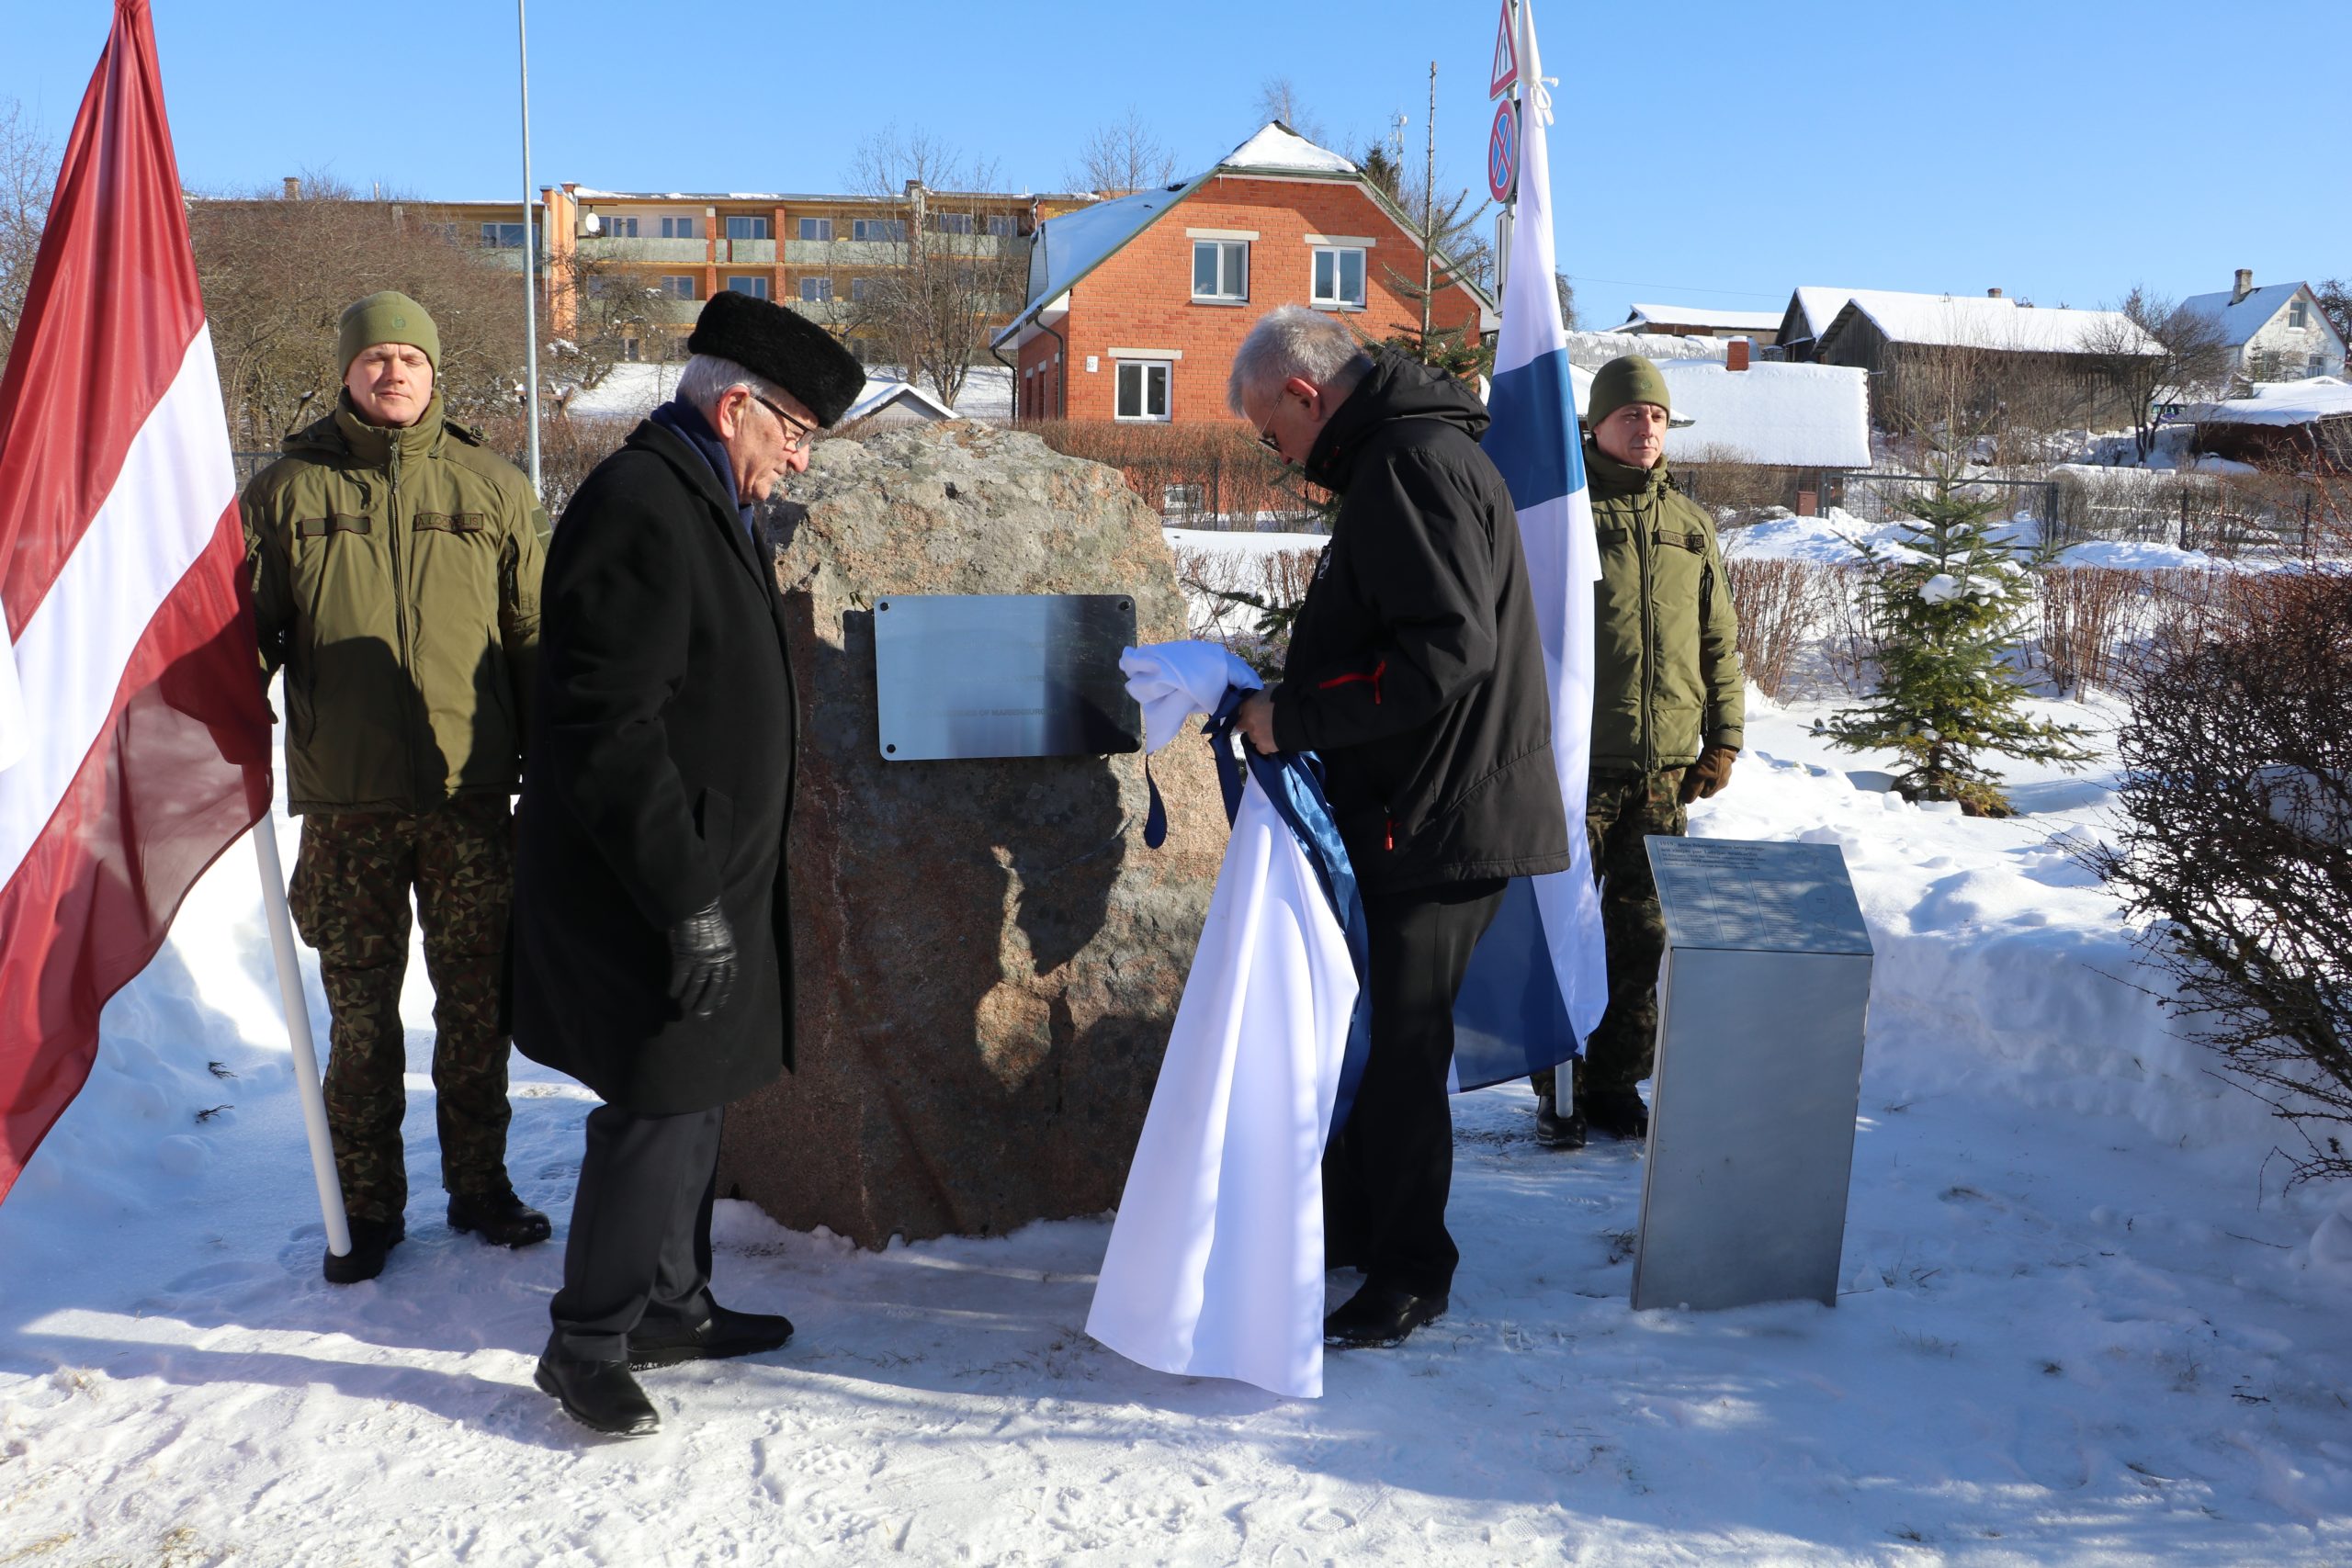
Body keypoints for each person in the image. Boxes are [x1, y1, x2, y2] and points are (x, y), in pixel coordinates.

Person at [514, 290, 863, 1437]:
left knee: (699, 1093)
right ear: (734, 408)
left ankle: (672, 1304)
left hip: (708, 869)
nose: (799, 458)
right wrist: (684, 902)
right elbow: (605, 729)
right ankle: (586, 1342)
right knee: (657, 1104)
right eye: (795, 432)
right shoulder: (642, 504)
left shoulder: (703, 492)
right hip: (651, 883)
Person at [1228, 306, 1573, 1349]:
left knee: (1401, 1051)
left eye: (1271, 433)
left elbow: (1442, 653)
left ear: (1306, 395)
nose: (1279, 455)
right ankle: (1361, 1228)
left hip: (1436, 813)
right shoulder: (1405, 454)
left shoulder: (1408, 465)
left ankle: (1412, 1271)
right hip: (1428, 806)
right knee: (1379, 1039)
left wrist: (1293, 717)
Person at [242, 290, 550, 1285]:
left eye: (409, 358)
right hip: (349, 807)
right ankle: (368, 1206)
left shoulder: (493, 485)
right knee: (363, 1023)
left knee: (477, 1009)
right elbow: (242, 637)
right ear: (345, 371)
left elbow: (533, 637)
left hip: (470, 798)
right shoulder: (287, 491)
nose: (393, 372)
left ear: (434, 370)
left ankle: (480, 1185)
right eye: (374, 357)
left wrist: (552, 769)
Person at [1532, 355, 1744, 1150]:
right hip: (1576, 766)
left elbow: (1718, 640)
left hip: (1663, 771)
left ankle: (1616, 1085)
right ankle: (1559, 1090)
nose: (1646, 427)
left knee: (1641, 935)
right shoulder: (1565, 516)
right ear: (1596, 424)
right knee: (1564, 934)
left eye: (1656, 415)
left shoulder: (1690, 523)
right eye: (1631, 414)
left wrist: (1725, 736)